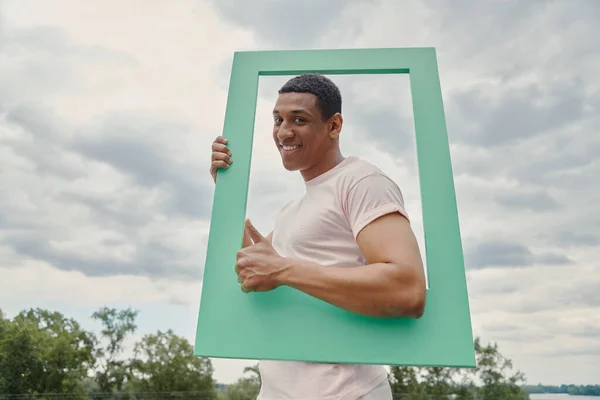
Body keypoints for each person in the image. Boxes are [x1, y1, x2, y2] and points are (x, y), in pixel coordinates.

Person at [209, 73, 426, 400]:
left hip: (344, 393)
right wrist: (224, 189)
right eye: (278, 119)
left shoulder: (361, 181)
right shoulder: (291, 211)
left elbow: (408, 289)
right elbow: (252, 269)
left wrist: (284, 271)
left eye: (299, 119)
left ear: (334, 126)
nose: (284, 131)